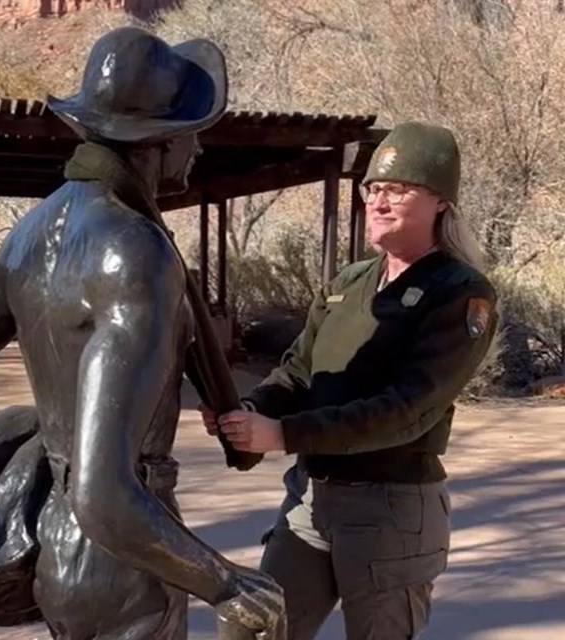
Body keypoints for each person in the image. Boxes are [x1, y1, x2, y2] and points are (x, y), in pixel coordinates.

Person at [0, 27, 283, 640]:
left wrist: (27, 482)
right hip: (124, 561)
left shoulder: (32, 231)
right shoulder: (135, 251)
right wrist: (224, 581)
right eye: (193, 129)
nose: (199, 147)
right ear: (159, 141)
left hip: (58, 540)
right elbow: (103, 488)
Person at [201, 121, 498, 639]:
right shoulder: (348, 283)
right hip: (312, 499)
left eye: (398, 189)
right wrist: (249, 410)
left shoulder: (459, 293)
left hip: (389, 510)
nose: (379, 201)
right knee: (253, 628)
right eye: (373, 189)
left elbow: (407, 410)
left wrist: (285, 435)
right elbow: (297, 371)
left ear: (441, 202)